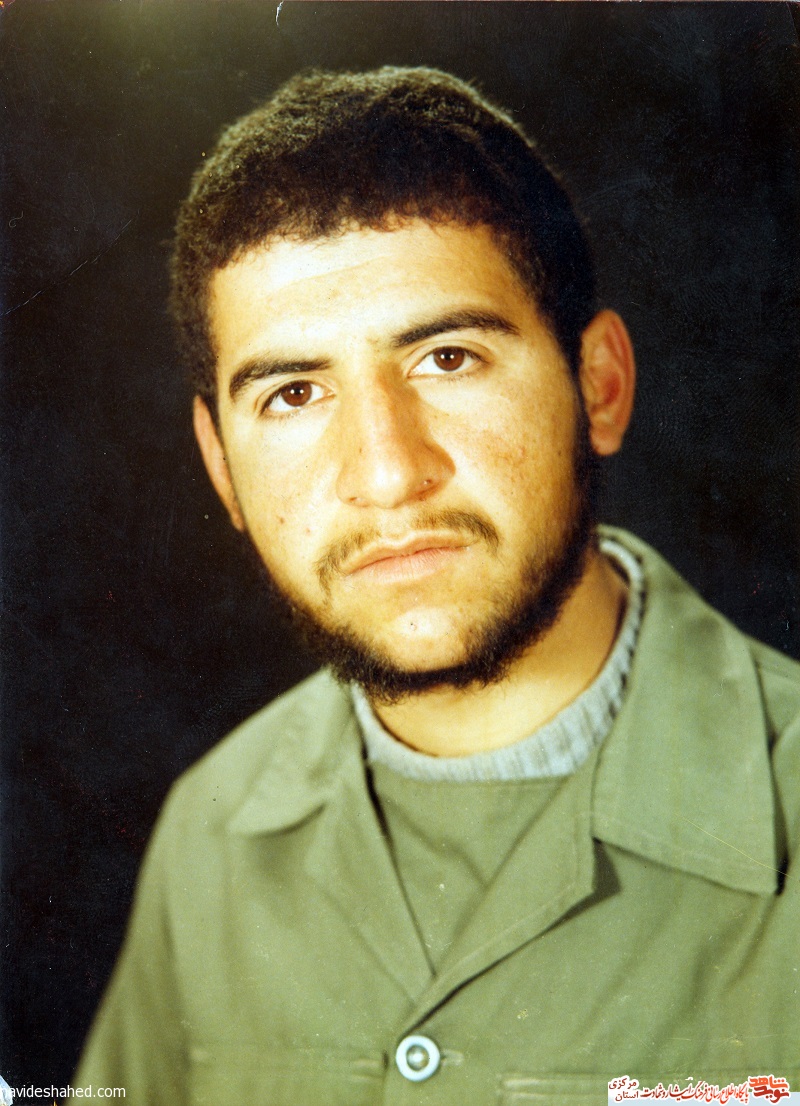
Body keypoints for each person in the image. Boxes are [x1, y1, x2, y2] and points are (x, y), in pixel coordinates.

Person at [73, 67, 799, 1104]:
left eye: (447, 358)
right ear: (222, 468)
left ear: (598, 385)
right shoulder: (211, 834)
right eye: (293, 392)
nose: (384, 472)